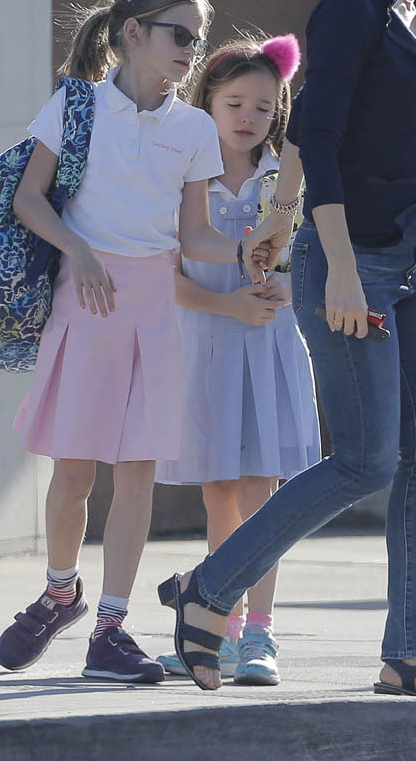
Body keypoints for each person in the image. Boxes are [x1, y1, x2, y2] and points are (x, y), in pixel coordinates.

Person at [157, 0, 416, 699]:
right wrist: (331, 262)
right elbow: (321, 135)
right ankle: (209, 589)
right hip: (357, 262)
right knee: (367, 458)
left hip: (415, 262)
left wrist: (276, 211)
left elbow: (305, 132)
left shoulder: (411, 13)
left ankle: (408, 651)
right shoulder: (351, 5)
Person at [0, 0, 264, 684]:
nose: (191, 51)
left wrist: (248, 248)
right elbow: (29, 199)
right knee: (74, 470)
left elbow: (193, 235)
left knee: (138, 472)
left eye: (197, 39)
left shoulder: (195, 129)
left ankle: (110, 629)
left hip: (153, 312)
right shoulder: (75, 105)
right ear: (133, 33)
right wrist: (78, 251)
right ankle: (60, 593)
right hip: (85, 303)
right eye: (180, 35)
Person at [155, 35, 320, 685]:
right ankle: (216, 630)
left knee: (261, 492)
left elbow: (312, 263)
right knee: (219, 491)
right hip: (205, 349)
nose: (248, 116)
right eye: (234, 102)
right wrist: (227, 306)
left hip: (268, 349)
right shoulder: (183, 179)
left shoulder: (286, 181)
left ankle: (260, 635)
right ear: (208, 102)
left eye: (263, 105)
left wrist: (287, 289)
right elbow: (164, 277)